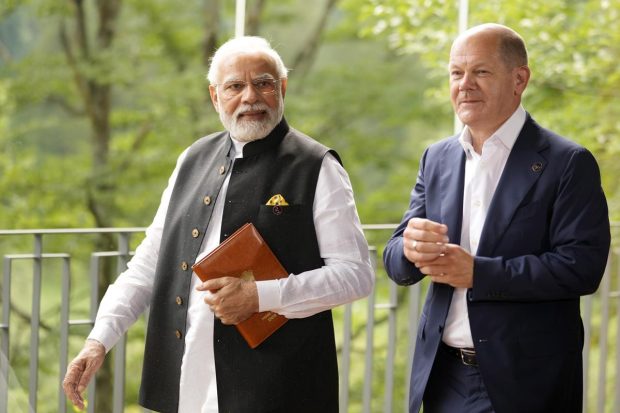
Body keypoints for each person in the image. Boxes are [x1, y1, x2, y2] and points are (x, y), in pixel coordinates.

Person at [62, 36, 374, 413]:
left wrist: (259, 295)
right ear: (215, 96)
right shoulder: (191, 159)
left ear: (283, 88)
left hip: (279, 389)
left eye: (263, 83)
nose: (250, 97)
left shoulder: (317, 166)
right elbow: (147, 265)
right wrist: (98, 341)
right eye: (235, 86)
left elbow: (356, 275)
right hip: (185, 382)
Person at [383, 23, 610, 413]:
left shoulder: (568, 162)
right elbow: (395, 260)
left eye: (481, 72)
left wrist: (478, 273)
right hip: (443, 377)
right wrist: (409, 247)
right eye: (456, 73)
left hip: (525, 380)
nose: (464, 84)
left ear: (519, 79)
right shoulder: (436, 158)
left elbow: (582, 267)